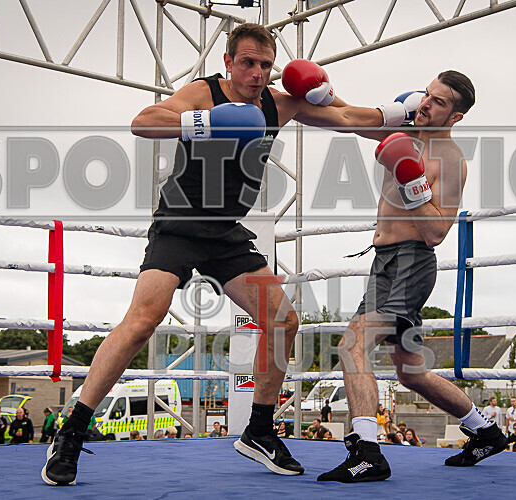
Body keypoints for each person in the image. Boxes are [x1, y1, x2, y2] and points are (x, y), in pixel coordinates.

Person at [42, 23, 388, 487]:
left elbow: (349, 119)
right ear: (228, 62)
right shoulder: (203, 94)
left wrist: (402, 117)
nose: (258, 73)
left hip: (226, 232)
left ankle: (259, 430)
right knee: (144, 320)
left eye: (266, 65)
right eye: (248, 62)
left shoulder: (278, 104)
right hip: (181, 223)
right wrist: (204, 122)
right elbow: (143, 122)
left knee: (283, 321)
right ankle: (71, 432)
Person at [318, 70, 505, 483]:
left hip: (411, 263)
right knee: (411, 372)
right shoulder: (404, 130)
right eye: (428, 94)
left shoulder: (451, 161)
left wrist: (412, 181)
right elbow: (350, 118)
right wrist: (319, 95)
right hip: (384, 262)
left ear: (455, 117)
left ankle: (367, 452)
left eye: (439, 103)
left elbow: (437, 232)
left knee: (353, 344)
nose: (426, 104)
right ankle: (485, 431)